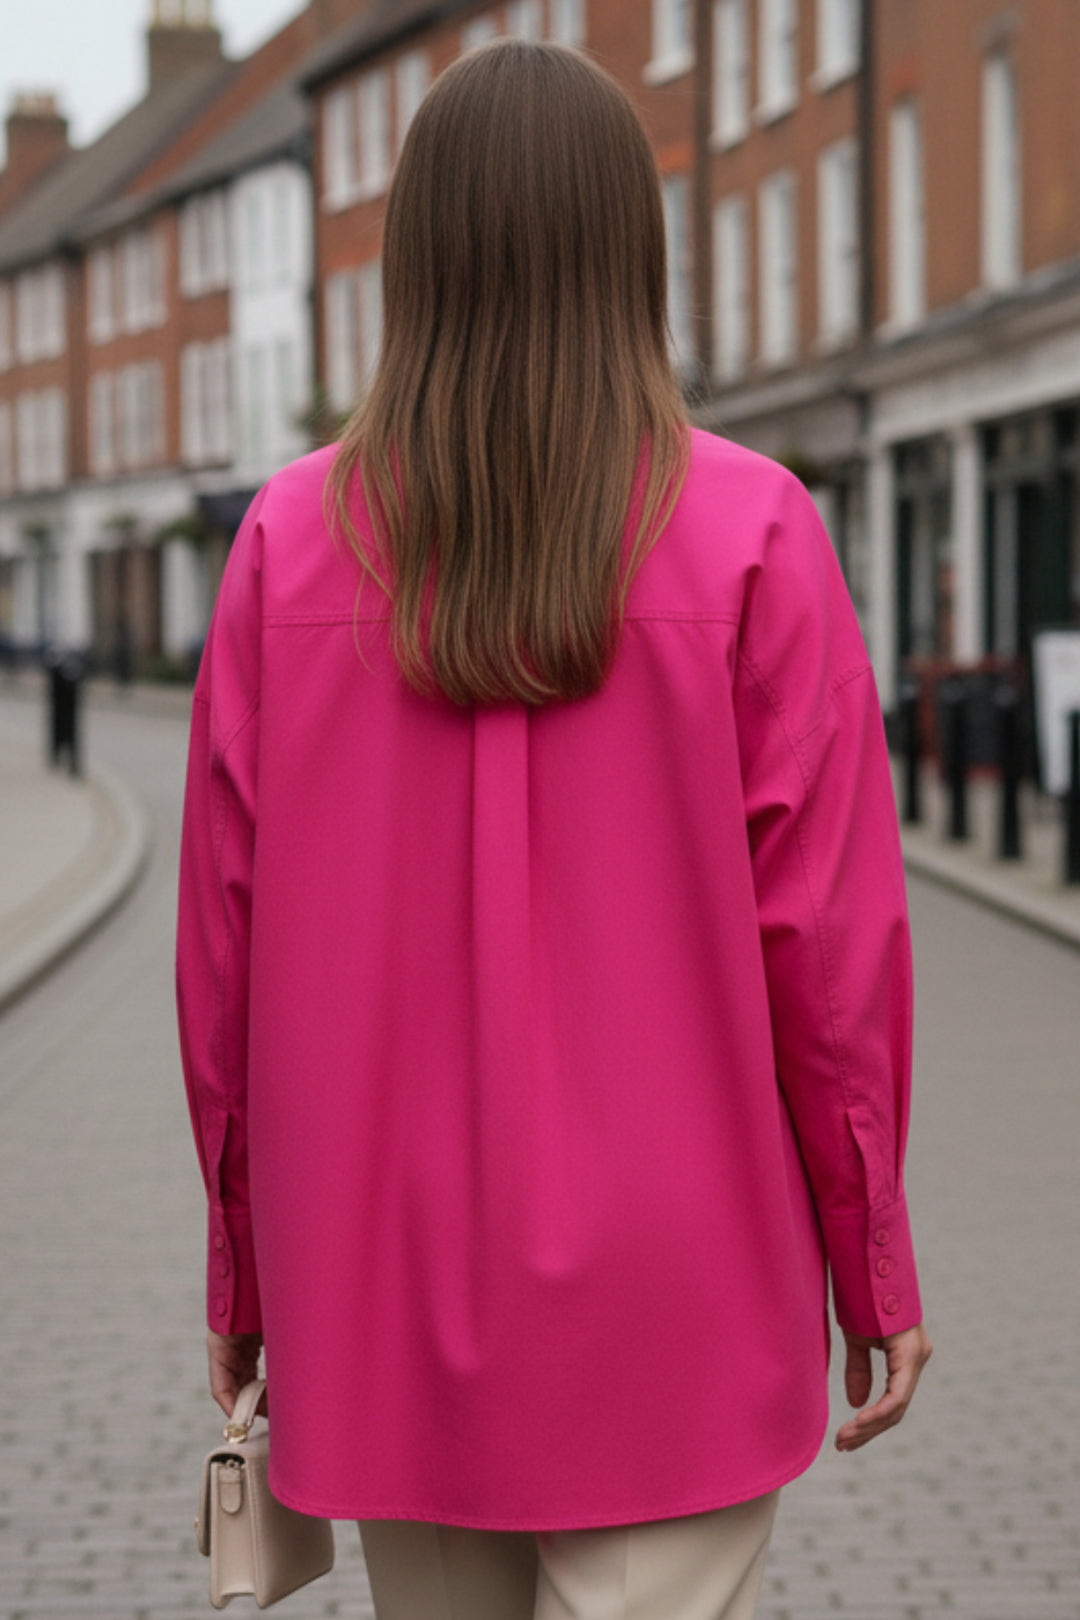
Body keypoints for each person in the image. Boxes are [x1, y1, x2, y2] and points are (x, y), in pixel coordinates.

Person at [175, 37, 931, 1620]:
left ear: (418, 256)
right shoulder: (753, 534)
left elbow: (223, 973)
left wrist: (245, 1271)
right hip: (681, 1285)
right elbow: (832, 953)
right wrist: (869, 1257)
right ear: (629, 247)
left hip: (385, 1285)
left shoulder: (285, 548)